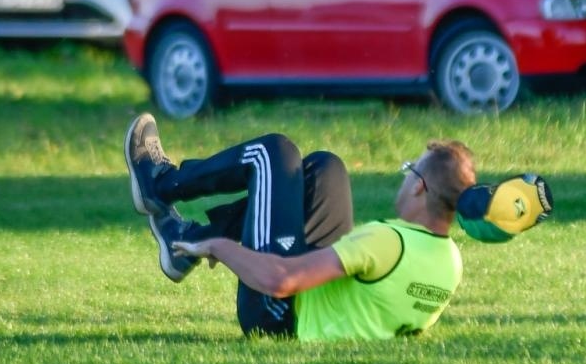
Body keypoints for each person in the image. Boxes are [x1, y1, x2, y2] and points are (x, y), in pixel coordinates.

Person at [123, 113, 477, 340]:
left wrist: (220, 247)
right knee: (324, 169)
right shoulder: (450, 263)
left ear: (419, 187)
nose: (403, 179)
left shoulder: (387, 241)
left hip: (276, 313)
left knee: (273, 153)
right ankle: (184, 241)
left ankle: (160, 184)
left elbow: (281, 281)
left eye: (409, 170)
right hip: (315, 305)